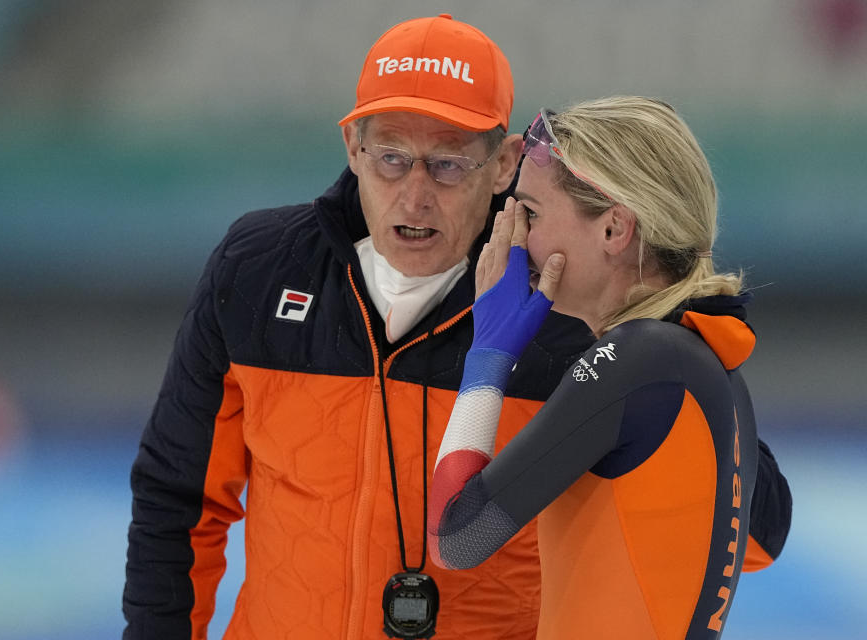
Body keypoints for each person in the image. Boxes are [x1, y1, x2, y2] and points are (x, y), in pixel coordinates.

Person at [123, 15, 790, 640]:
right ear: (352, 147)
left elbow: (747, 534)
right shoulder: (261, 267)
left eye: (447, 163)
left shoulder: (568, 306)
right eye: (390, 156)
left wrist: (680, 342)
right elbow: (178, 499)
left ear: (502, 163)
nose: (415, 194)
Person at [428, 97, 791, 639]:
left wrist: (489, 355)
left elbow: (456, 537)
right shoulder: (703, 362)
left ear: (614, 229)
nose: (514, 235)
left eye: (530, 212)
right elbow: (765, 536)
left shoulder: (638, 360)